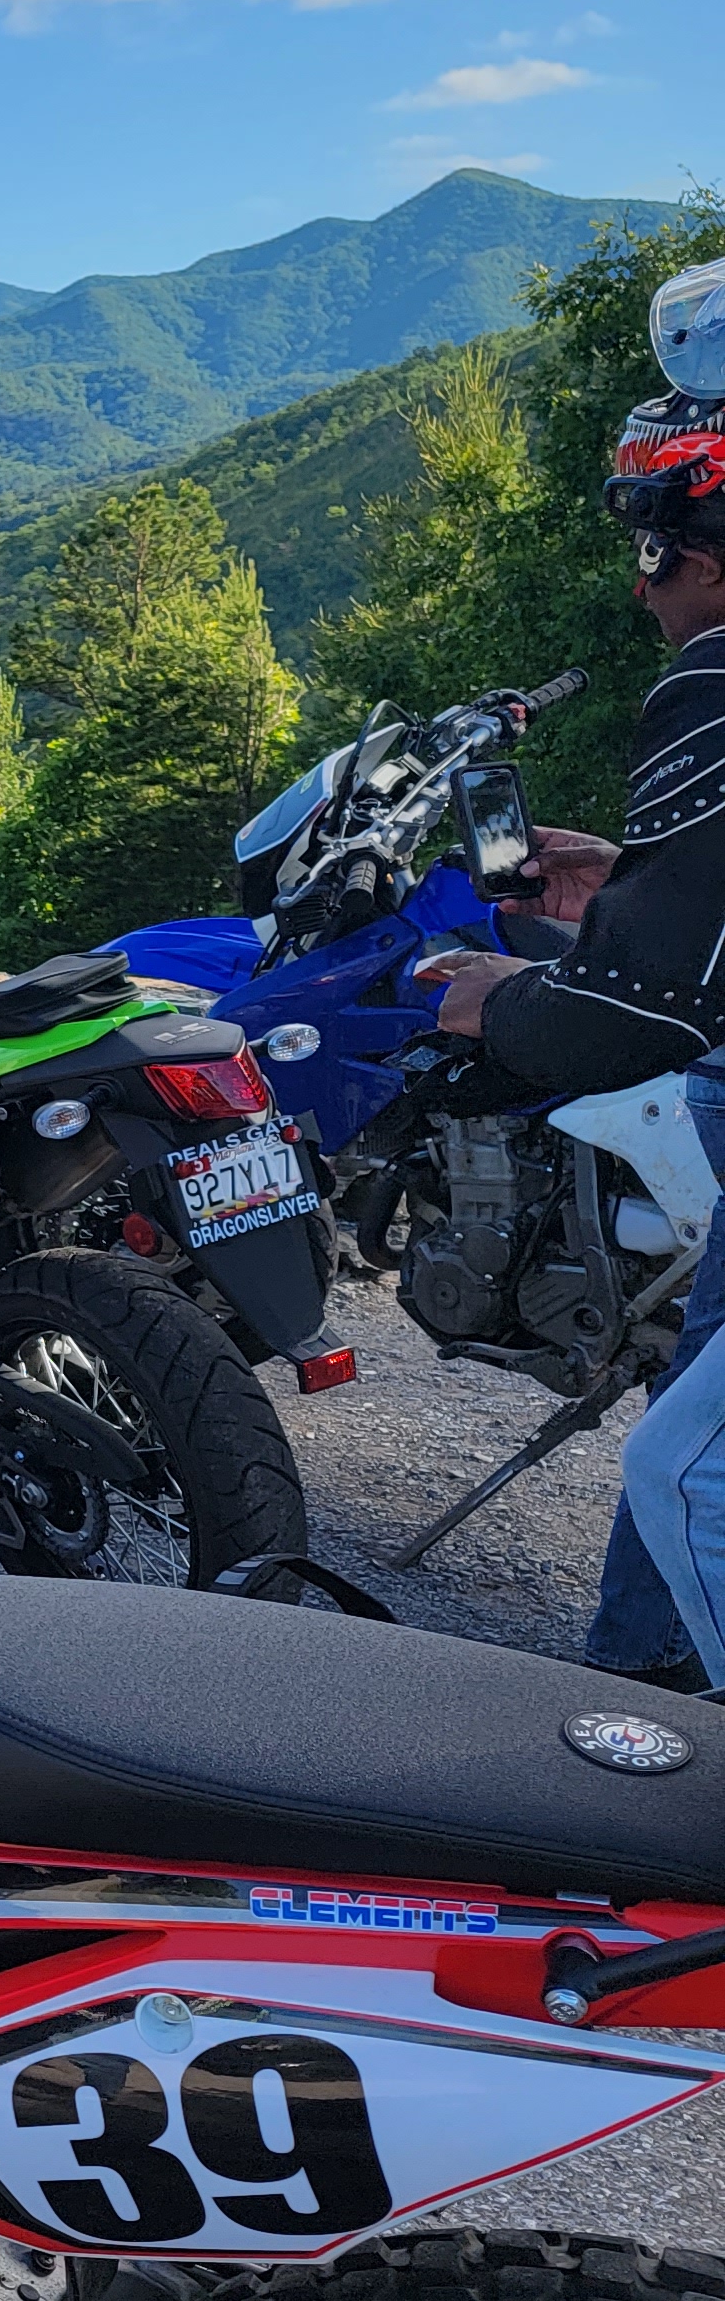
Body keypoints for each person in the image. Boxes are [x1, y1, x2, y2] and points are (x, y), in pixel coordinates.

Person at [422, 257, 725, 1679]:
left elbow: (633, 1012)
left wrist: (501, 1005)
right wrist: (635, 877)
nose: (641, 583)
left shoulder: (714, 680)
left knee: (689, 1474)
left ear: (694, 551)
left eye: (647, 545)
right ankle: (635, 1677)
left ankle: (666, 1763)